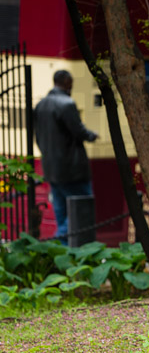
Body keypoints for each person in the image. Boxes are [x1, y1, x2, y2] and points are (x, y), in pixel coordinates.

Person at [33, 70, 98, 244]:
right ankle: (59, 242)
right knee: (81, 210)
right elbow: (79, 130)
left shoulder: (41, 105)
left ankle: (63, 251)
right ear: (67, 82)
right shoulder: (67, 104)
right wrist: (92, 135)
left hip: (51, 168)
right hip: (72, 170)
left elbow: (38, 137)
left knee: (61, 213)